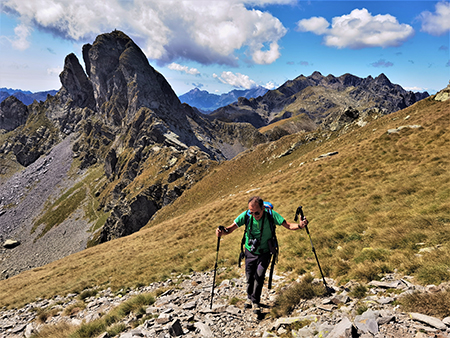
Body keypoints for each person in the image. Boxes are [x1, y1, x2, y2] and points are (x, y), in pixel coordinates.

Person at [216, 196, 308, 314]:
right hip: (250, 251)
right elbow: (230, 229)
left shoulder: (270, 214)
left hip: (265, 252)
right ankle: (249, 297)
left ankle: (255, 302)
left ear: (263, 208)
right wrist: (221, 232)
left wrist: (300, 225)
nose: (254, 215)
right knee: (249, 277)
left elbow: (289, 225)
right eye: (251, 212)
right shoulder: (246, 215)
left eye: (257, 212)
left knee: (259, 276)